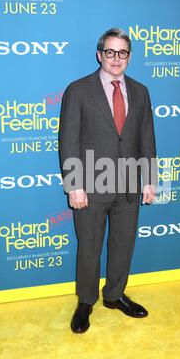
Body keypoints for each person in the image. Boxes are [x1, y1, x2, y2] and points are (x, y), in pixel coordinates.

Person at [59, 28, 157, 333]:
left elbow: (146, 138)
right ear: (100, 54)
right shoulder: (78, 89)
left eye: (123, 52)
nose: (117, 59)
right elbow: (68, 141)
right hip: (90, 184)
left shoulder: (140, 91)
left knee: (123, 244)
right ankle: (86, 302)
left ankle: (115, 295)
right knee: (89, 247)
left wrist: (150, 180)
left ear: (129, 56)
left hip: (128, 184)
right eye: (111, 52)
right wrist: (74, 185)